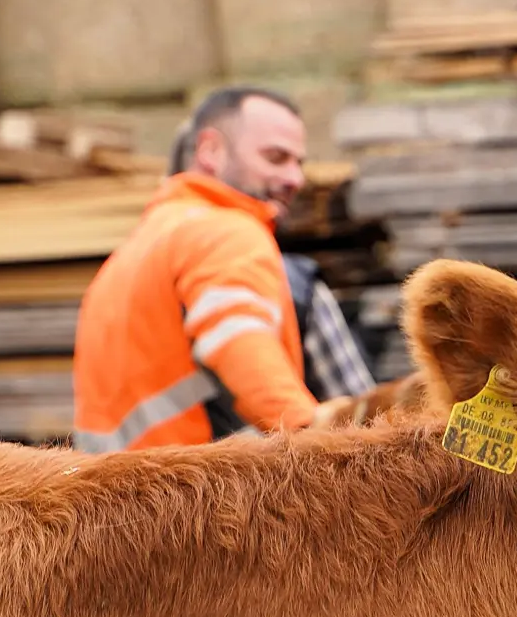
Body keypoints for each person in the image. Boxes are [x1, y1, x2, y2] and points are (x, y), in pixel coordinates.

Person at [72, 85, 373, 452]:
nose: (296, 178)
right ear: (211, 150)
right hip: (195, 498)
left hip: (121, 499)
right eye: (276, 158)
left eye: (299, 162)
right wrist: (307, 432)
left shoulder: (128, 258)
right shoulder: (226, 232)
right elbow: (236, 336)